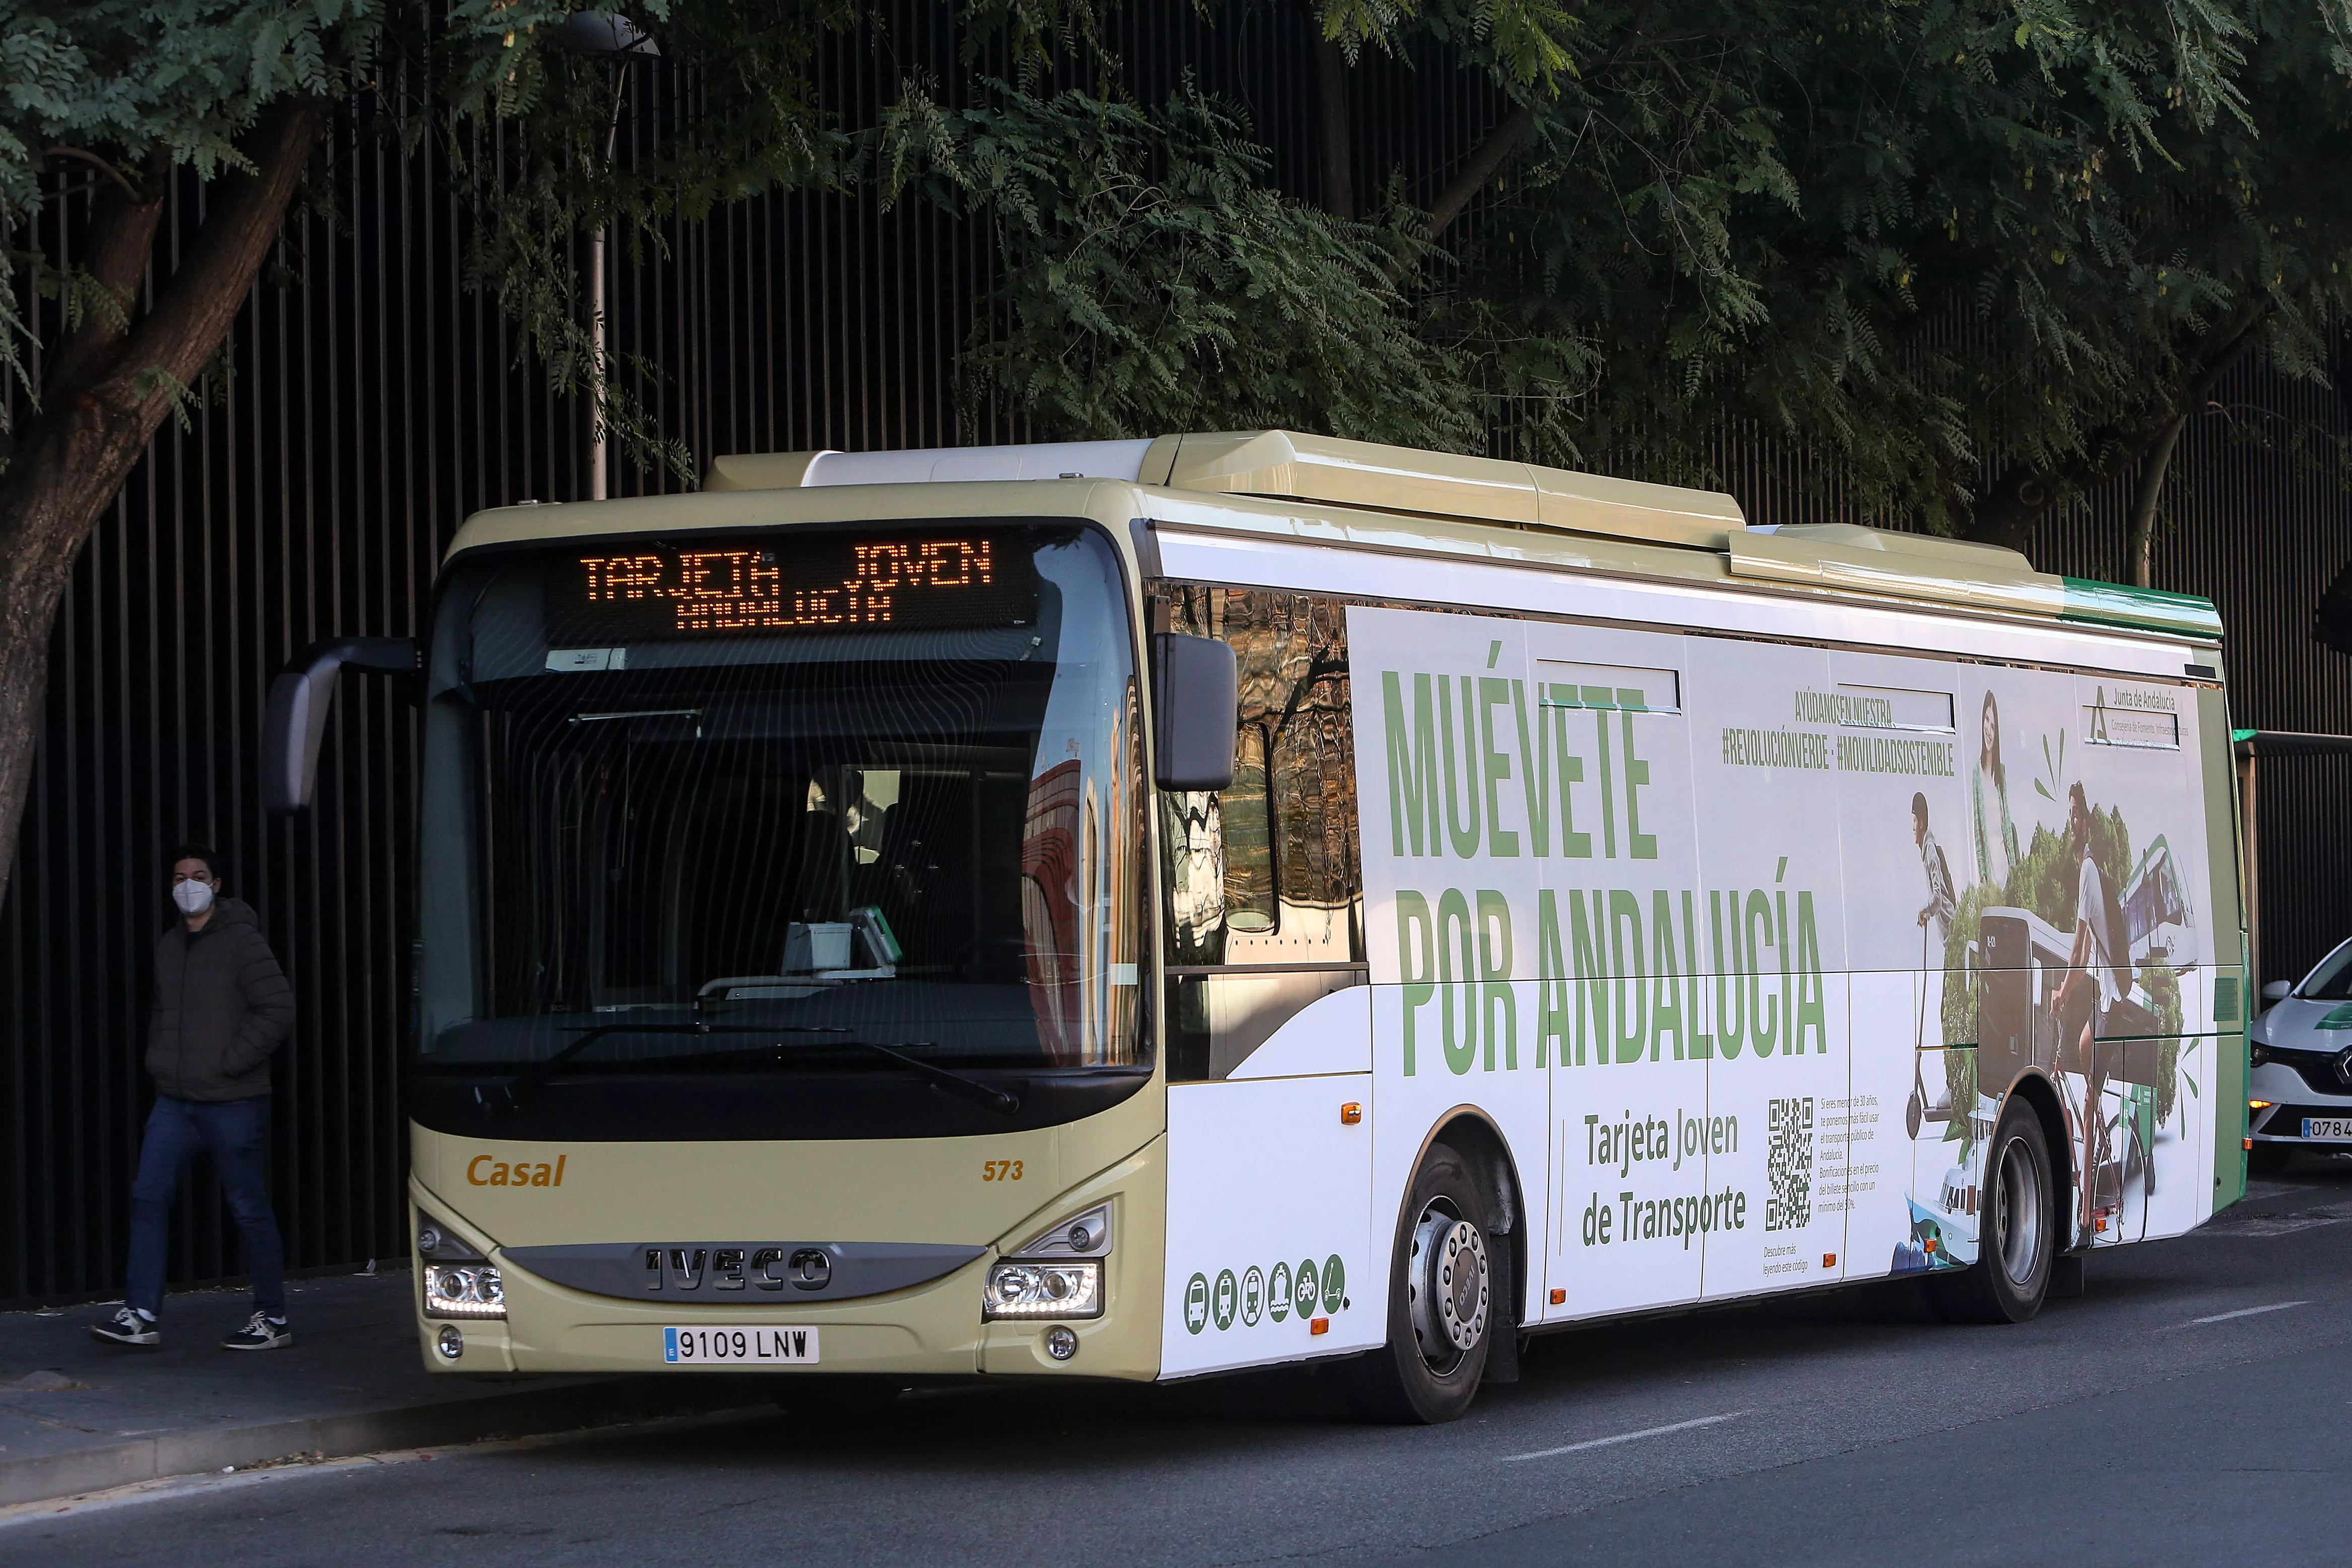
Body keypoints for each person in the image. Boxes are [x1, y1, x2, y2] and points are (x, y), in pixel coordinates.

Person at [91, 845, 297, 1351]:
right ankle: (141, 1313)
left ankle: (272, 1318)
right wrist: (159, 1061)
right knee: (148, 1195)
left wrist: (228, 1063)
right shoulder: (169, 945)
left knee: (248, 1207)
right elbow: (163, 1012)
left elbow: (277, 1007)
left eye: (199, 875)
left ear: (217, 884)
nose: (189, 884)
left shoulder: (241, 942)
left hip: (233, 1102)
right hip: (175, 1102)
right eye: (180, 876)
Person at [2050, 785, 2128, 1236]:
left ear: (2089, 824)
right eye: (2071, 815)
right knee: (2083, 1051)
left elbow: (2078, 953)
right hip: (2106, 996)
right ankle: (2096, 1133)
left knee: (2088, 1095)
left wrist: (2060, 993)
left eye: (2078, 815)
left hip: (2111, 999)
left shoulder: (2088, 872)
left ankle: (2084, 1213)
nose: (2073, 822)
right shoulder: (2089, 871)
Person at [1969, 691, 2020, 891]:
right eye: (1986, 720)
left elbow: (2006, 822)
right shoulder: (1976, 773)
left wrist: (2015, 868)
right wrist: (1982, 874)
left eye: (1993, 726)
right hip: (1990, 875)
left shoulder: (2002, 772)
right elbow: (1978, 831)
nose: (1989, 730)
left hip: (2005, 868)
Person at [1913, 793, 1956, 949]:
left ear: (1922, 823)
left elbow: (1937, 899)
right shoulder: (1927, 852)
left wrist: (1924, 911)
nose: (1913, 828)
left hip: (1952, 930)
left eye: (1915, 821)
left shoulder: (1930, 852)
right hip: (1948, 933)